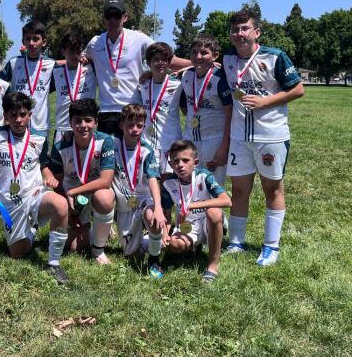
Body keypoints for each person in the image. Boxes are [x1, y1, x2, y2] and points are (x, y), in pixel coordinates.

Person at [221, 9, 304, 266]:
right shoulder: (227, 60)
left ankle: (271, 247)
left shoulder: (275, 56)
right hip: (239, 137)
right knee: (239, 188)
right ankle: (236, 241)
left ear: (256, 32)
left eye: (245, 28)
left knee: (272, 188)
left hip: (271, 135)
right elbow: (200, 63)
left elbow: (298, 89)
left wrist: (266, 101)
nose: (239, 34)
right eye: (235, 30)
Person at [0, 92, 70, 284]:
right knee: (17, 253)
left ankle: (53, 264)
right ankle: (32, 228)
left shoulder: (39, 138)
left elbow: (44, 165)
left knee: (61, 204)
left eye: (23, 114)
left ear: (30, 115)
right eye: (13, 115)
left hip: (34, 192)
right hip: (10, 201)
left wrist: (50, 177)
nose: (18, 120)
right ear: (5, 115)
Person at [83, 0, 188, 136]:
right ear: (104, 18)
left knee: (132, 156)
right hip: (106, 112)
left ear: (125, 17)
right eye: (109, 15)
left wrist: (197, 63)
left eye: (117, 15)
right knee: (108, 157)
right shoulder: (95, 43)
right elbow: (78, 58)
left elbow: (167, 58)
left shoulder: (138, 38)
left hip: (132, 109)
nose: (113, 20)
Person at [44, 99, 116, 264]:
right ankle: (98, 229)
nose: (83, 125)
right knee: (74, 247)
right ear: (70, 123)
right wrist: (69, 209)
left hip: (94, 193)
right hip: (72, 200)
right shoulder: (60, 147)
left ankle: (98, 250)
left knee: (104, 199)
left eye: (88, 120)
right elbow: (58, 182)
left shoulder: (105, 141)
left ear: (96, 122)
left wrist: (73, 192)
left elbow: (105, 181)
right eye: (77, 121)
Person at [160, 140, 231, 282]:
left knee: (214, 212)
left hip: (208, 222)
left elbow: (226, 201)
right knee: (175, 245)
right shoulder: (169, 184)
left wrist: (191, 205)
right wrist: (164, 234)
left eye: (185, 160)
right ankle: (194, 247)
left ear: (195, 162)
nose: (180, 165)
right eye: (176, 161)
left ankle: (212, 265)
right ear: (170, 165)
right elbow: (166, 216)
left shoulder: (203, 176)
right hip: (187, 225)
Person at [111, 104, 167, 277]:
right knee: (130, 254)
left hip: (143, 198)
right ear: (121, 125)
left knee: (153, 219)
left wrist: (158, 207)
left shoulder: (147, 150)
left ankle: (154, 260)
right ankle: (151, 240)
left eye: (139, 126)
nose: (134, 129)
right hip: (123, 202)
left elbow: (152, 179)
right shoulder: (111, 144)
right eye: (130, 125)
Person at [180, 35, 232, 185]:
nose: (198, 56)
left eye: (204, 52)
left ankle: (215, 209)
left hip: (214, 140)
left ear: (215, 56)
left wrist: (224, 146)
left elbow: (230, 115)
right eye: (194, 52)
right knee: (189, 183)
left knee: (213, 185)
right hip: (190, 138)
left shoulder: (221, 79)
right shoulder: (186, 76)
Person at [134, 42, 183, 174]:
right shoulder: (143, 84)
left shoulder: (178, 84)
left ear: (168, 63)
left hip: (170, 141)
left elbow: (195, 70)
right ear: (149, 62)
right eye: (155, 59)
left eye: (164, 59)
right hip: (147, 141)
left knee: (168, 183)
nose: (160, 63)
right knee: (150, 180)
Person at [0, 21, 55, 133]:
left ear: (44, 42)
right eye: (28, 39)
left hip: (41, 126)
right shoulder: (14, 63)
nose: (31, 43)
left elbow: (70, 68)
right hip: (17, 123)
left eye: (35, 39)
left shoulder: (51, 65)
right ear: (23, 41)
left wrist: (83, 58)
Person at [52, 30, 97, 145]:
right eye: (71, 50)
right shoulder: (55, 73)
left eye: (78, 50)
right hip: (63, 127)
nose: (75, 55)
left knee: (86, 162)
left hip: (85, 127)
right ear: (63, 51)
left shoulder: (91, 68)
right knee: (60, 163)